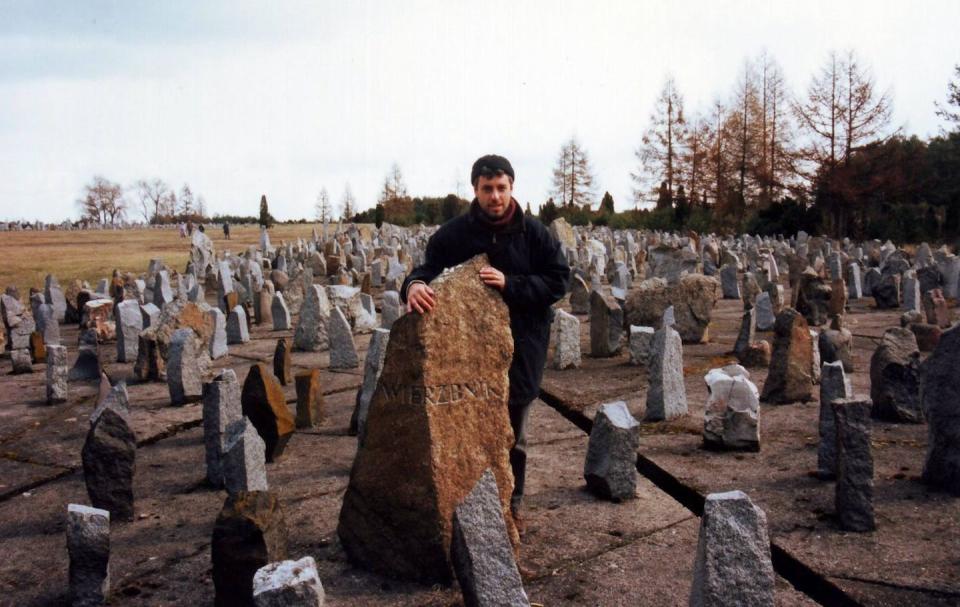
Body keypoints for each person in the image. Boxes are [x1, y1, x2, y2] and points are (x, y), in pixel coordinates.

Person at [401, 154, 570, 534]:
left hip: (523, 348)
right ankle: (462, 508)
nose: (495, 196)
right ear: (475, 189)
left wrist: (512, 284)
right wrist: (412, 285)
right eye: (487, 189)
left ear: (512, 187)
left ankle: (512, 508)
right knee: (463, 434)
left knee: (515, 436)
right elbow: (426, 269)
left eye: (501, 188)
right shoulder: (453, 235)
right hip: (464, 355)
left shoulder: (536, 235)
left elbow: (559, 281)